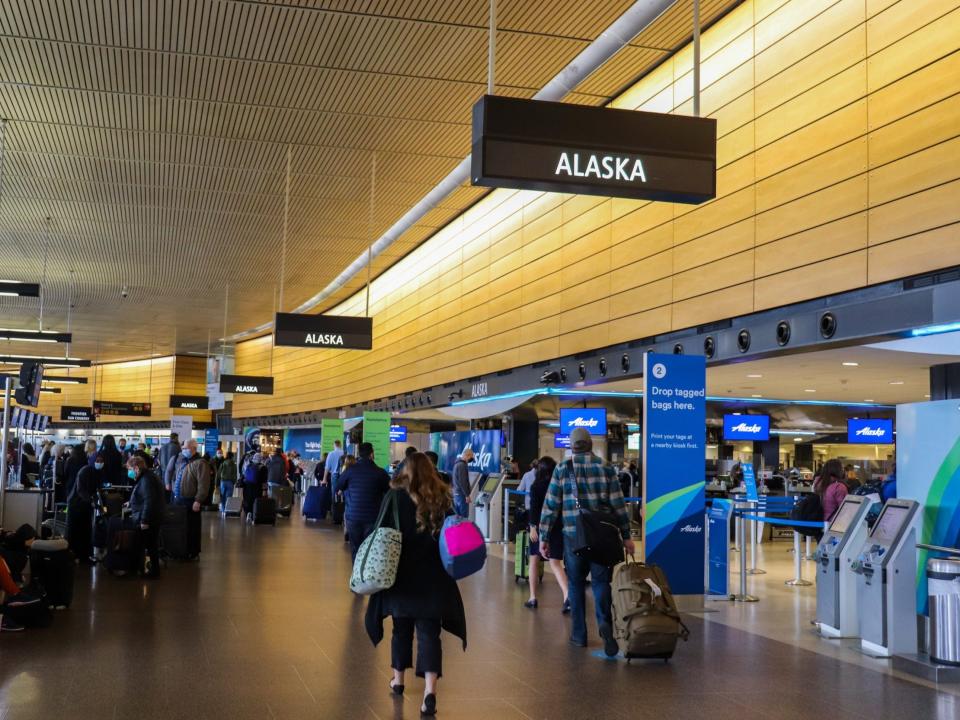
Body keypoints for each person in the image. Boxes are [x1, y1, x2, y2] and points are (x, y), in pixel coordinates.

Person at [364, 453, 466, 717]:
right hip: (433, 577)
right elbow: (454, 533)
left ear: (405, 472)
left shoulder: (395, 497)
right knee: (430, 633)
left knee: (400, 629)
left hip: (401, 576)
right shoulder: (441, 499)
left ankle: (398, 680)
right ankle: (429, 692)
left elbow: (380, 532)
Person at [538, 427, 632, 655]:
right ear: (590, 444)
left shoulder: (562, 468)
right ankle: (604, 624)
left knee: (576, 584)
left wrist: (544, 535)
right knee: (601, 583)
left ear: (571, 446)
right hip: (602, 537)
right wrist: (626, 535)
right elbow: (618, 504)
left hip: (573, 536)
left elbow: (551, 505)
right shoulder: (606, 467)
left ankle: (579, 635)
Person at [525, 456, 569, 612]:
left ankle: (532, 597)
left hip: (538, 528)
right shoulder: (560, 486)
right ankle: (566, 596)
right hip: (557, 528)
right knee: (556, 563)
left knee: (534, 561)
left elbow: (534, 509)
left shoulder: (536, 487)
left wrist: (532, 527)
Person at [338, 443, 390, 561]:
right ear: (372, 454)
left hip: (353, 516)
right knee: (370, 549)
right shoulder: (380, 472)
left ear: (359, 454)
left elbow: (339, 485)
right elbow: (389, 490)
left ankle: (356, 575)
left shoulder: (350, 470)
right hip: (373, 517)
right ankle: (366, 576)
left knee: (355, 548)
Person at [169, 439, 211, 559]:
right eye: (183, 448)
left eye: (186, 448)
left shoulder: (201, 463)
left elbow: (204, 484)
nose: (183, 450)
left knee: (192, 528)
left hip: (191, 500)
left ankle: (192, 552)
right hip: (179, 499)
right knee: (180, 527)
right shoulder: (183, 461)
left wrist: (198, 500)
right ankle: (181, 550)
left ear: (193, 448)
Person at [127, 456, 164, 577]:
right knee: (150, 545)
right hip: (153, 516)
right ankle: (150, 570)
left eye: (130, 469)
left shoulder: (146, 479)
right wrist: (131, 502)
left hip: (148, 518)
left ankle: (149, 571)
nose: (129, 472)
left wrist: (144, 520)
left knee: (146, 545)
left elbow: (149, 500)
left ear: (136, 468)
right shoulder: (148, 476)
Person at [68, 448, 104, 564]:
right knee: (77, 531)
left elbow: (96, 489)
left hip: (85, 504)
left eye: (101, 461)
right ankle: (75, 555)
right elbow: (80, 489)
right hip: (77, 504)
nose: (99, 463)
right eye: (97, 460)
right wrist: (91, 500)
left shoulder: (96, 472)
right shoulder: (84, 471)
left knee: (85, 530)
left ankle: (83, 556)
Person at [451, 448, 474, 518]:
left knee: (458, 517)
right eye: (471, 457)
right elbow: (463, 481)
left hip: (456, 493)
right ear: (467, 455)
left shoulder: (457, 464)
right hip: (461, 495)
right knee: (463, 517)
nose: (470, 460)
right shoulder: (462, 465)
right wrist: (467, 495)